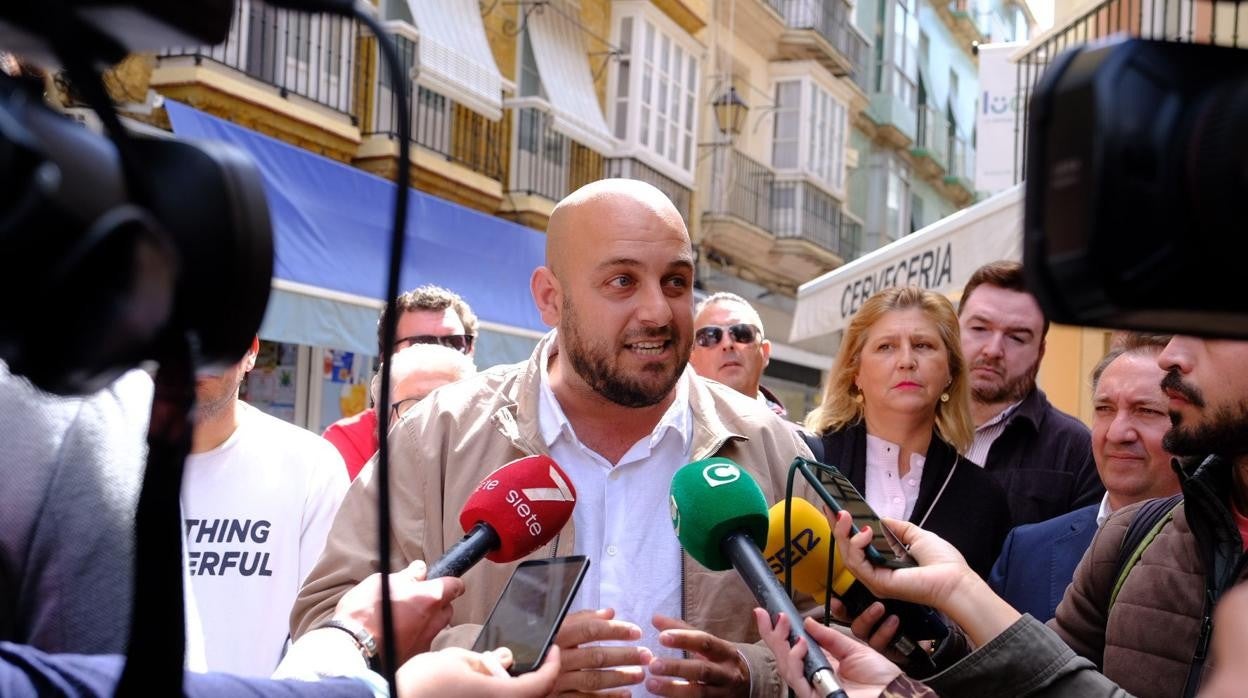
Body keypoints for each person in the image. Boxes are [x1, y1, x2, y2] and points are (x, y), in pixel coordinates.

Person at [291, 179, 815, 697]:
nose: (657, 311)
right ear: (550, 297)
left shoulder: (771, 448)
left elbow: (841, 634)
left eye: (675, 282)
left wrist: (756, 677)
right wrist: (502, 657)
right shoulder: (435, 438)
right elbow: (328, 621)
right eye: (622, 282)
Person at [773, 333, 1248, 698]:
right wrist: (913, 675)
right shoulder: (1131, 537)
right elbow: (1037, 679)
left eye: (1214, 324)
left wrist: (960, 590)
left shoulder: (982, 495)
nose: (1173, 355)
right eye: (1104, 409)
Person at [803, 286, 1012, 578]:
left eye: (923, 345)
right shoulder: (809, 464)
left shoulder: (983, 497)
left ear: (951, 371)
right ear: (856, 373)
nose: (906, 361)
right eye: (886, 346)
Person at [183, 337, 349, 677]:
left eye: (220, 333)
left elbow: (322, 624)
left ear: (251, 353)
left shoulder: (309, 464)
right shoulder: (103, 460)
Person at [989, 334, 1180, 621]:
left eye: (1146, 411)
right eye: (1105, 409)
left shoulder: (1224, 551)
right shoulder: (1026, 552)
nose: (1117, 433)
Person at [958, 261, 1103, 526]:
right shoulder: (912, 424)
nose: (993, 350)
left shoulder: (1078, 452)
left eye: (1017, 337)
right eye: (979, 329)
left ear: (1040, 352)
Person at [323, 285, 479, 480]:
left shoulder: (496, 434)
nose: (440, 352)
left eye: (454, 343)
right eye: (422, 342)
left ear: (471, 350)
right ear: (385, 356)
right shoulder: (349, 440)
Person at [689, 291, 787, 417]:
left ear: (765, 352)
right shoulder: (668, 433)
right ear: (691, 358)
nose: (727, 344)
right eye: (710, 335)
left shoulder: (797, 436)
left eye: (742, 333)